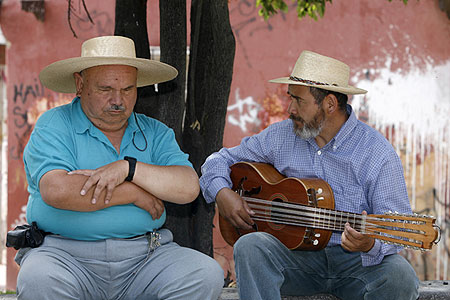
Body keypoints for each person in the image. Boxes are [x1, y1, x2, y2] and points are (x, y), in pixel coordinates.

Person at [200, 50, 419, 300]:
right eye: (290, 98)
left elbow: (398, 229)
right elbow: (219, 159)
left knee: (400, 275)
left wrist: (369, 244)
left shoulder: (376, 152)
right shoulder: (281, 136)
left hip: (356, 265)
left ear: (329, 104)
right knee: (249, 246)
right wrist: (222, 192)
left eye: (299, 101)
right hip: (295, 260)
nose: (290, 109)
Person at [17, 35, 224, 300]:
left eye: (128, 89)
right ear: (80, 84)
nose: (118, 100)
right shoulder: (55, 125)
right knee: (38, 280)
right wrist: (133, 193)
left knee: (205, 274)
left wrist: (128, 169)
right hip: (64, 256)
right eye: (106, 89)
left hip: (145, 258)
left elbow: (188, 187)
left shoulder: (155, 132)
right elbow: (57, 190)